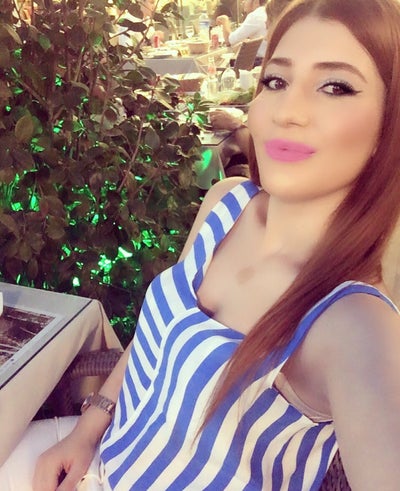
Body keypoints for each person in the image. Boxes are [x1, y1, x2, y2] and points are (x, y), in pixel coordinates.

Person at [2, 0, 400, 489]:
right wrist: (86, 432)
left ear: (388, 125)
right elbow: (160, 336)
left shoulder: (353, 321)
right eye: (276, 80)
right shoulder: (226, 204)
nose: (288, 111)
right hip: (97, 460)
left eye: (335, 86)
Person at [209, 0, 293, 173]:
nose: (266, 35)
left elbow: (263, 158)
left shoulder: (289, 78)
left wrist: (235, 125)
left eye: (269, 25)